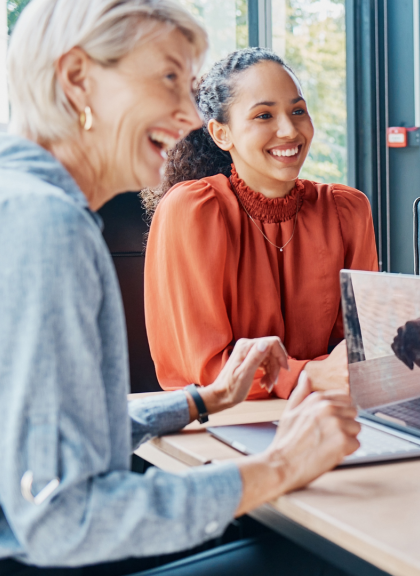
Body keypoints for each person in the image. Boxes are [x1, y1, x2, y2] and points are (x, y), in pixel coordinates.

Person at [0, 0, 360, 572]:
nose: (188, 115)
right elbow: (66, 518)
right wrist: (282, 465)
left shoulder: (12, 199)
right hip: (10, 560)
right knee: (334, 556)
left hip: (16, 547)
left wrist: (201, 400)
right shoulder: (38, 222)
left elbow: (50, 432)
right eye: (168, 79)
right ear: (78, 80)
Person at [142, 48, 378, 401]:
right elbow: (206, 369)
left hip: (324, 410)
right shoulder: (193, 209)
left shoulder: (347, 209)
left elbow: (361, 346)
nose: (289, 129)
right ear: (222, 134)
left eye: (298, 110)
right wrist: (311, 374)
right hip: (217, 422)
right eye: (264, 115)